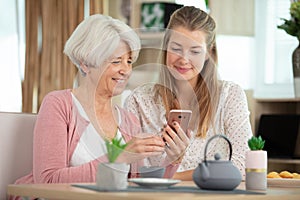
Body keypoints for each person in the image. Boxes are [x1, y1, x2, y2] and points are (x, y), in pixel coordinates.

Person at [13, 14, 176, 186]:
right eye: (116, 61)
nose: (126, 70)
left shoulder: (129, 120)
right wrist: (118, 158)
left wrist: (172, 158)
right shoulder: (59, 104)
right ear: (85, 63)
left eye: (129, 61)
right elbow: (48, 180)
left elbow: (137, 185)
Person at [124, 6, 253, 180]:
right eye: (176, 49)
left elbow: (243, 164)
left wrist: (172, 176)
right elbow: (131, 171)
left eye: (195, 51)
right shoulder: (139, 100)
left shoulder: (230, 95)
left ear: (209, 53)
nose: (184, 59)